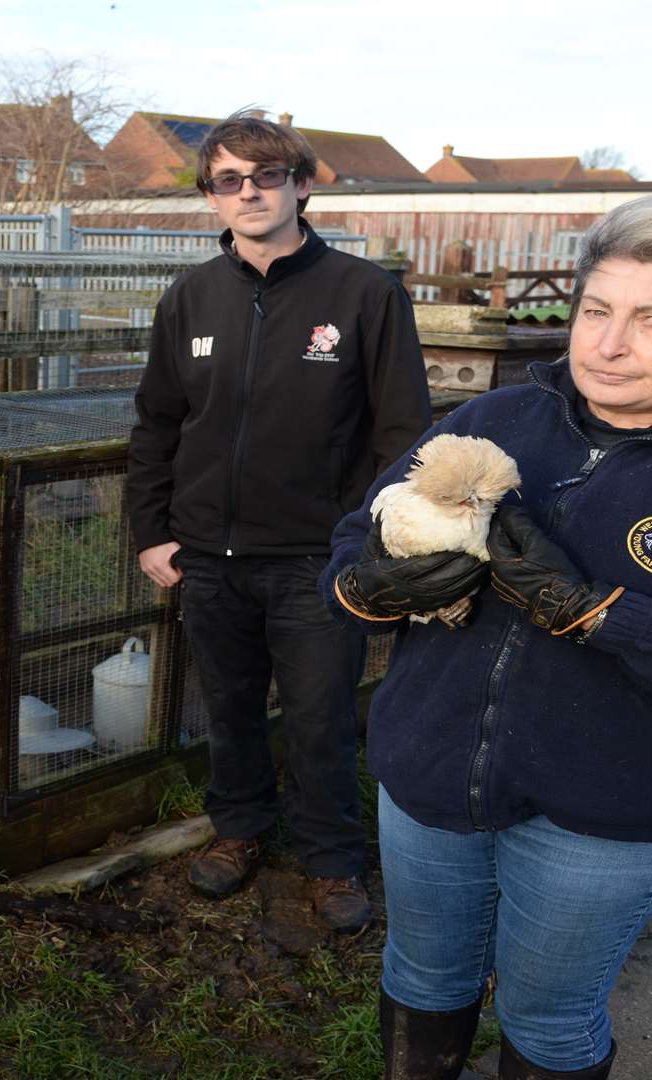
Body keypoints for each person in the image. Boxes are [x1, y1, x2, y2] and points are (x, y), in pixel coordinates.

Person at [324, 190, 652, 1079]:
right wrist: (369, 583)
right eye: (597, 311)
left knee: (548, 1018)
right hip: (428, 777)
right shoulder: (492, 421)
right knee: (423, 976)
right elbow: (361, 532)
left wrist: (599, 610)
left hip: (608, 818)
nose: (608, 344)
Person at [126, 111, 432, 933]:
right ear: (212, 198)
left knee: (319, 715)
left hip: (315, 560)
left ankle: (331, 859)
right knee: (226, 707)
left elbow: (403, 434)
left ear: (302, 185)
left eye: (266, 176)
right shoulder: (190, 297)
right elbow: (157, 423)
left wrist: (365, 543)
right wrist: (152, 531)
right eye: (230, 180)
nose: (249, 192)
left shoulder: (365, 295)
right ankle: (239, 830)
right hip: (209, 557)